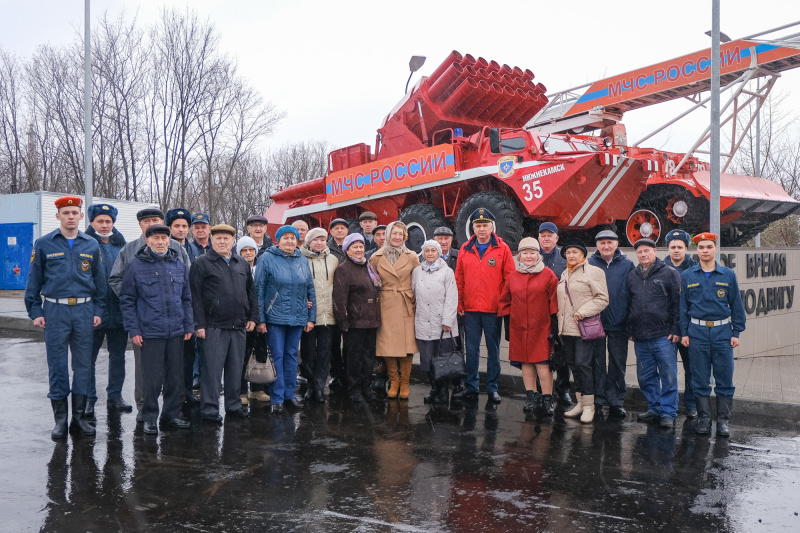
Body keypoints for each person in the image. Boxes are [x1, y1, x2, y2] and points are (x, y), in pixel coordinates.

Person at [25, 195, 107, 439]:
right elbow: (34, 280)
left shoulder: (91, 244)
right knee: (58, 366)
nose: (71, 217)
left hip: (84, 311)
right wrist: (35, 311)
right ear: (58, 216)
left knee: (83, 366)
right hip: (55, 311)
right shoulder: (44, 244)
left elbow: (99, 281)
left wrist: (98, 310)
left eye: (75, 213)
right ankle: (60, 420)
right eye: (66, 213)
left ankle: (79, 418)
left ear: (82, 216)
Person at [108, 207, 189, 421]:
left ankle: (172, 412)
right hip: (145, 322)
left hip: (173, 322)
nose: (151, 224)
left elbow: (186, 285)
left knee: (174, 370)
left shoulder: (176, 249)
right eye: (147, 221)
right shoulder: (130, 250)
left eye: (156, 220)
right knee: (146, 371)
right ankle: (145, 410)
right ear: (141, 226)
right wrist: (140, 300)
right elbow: (116, 280)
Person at [679, 233, 746, 437]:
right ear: (697, 251)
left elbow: (736, 305)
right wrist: (684, 333)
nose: (705, 250)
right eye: (701, 247)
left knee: (724, 378)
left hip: (722, 333)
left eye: (709, 247)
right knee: (699, 379)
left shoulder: (727, 275)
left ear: (716, 249)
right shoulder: (688, 275)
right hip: (697, 333)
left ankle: (723, 422)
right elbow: (683, 308)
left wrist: (736, 332)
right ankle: (704, 420)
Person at [190, 224, 258, 423]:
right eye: (218, 238)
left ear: (232, 241)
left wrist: (253, 317)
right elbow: (195, 297)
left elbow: (251, 293)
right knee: (212, 370)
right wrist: (199, 325)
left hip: (238, 326)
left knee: (235, 369)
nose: (222, 242)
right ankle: (210, 409)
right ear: (212, 240)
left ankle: (233, 405)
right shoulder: (202, 263)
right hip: (213, 326)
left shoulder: (241, 263)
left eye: (226, 239)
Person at [454, 208, 514, 403]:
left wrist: (503, 304)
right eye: (478, 226)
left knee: (493, 350)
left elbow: (509, 279)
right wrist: (460, 302)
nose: (481, 229)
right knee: (471, 351)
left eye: (485, 225)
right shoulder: (465, 248)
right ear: (473, 228)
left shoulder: (502, 249)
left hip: (492, 310)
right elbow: (459, 279)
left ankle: (492, 388)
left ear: (491, 227)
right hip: (471, 310)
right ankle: (471, 386)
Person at [255, 225, 316, 414]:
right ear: (278, 240)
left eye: (293, 238)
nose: (289, 241)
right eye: (285, 238)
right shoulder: (267, 258)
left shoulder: (302, 260)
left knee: (291, 357)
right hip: (274, 318)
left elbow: (310, 289)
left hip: (297, 317)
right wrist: (261, 319)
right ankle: (277, 398)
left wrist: (310, 318)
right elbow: (259, 289)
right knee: (277, 356)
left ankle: (290, 395)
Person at [498, 237, 559, 416]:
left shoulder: (548, 275)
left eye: (532, 252)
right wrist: (509, 322)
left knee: (542, 364)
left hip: (542, 328)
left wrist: (554, 326)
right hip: (519, 328)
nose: (528, 256)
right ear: (519, 256)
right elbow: (504, 300)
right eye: (525, 253)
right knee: (526, 363)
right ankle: (531, 397)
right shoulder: (512, 277)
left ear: (538, 255)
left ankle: (547, 399)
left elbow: (555, 300)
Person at [626, 238, 682, 429]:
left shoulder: (669, 273)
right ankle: (655, 408)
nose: (643, 254)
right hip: (640, 337)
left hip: (663, 336)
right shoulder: (632, 275)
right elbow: (629, 304)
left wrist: (676, 329)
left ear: (655, 251)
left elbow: (678, 303)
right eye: (640, 252)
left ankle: (668, 412)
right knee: (646, 377)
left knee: (668, 375)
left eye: (646, 251)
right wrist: (630, 329)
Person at [85, 203, 131, 418]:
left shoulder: (123, 246)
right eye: (100, 221)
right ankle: (88, 398)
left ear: (113, 222)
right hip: (93, 311)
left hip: (119, 311)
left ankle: (115, 396)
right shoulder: (85, 244)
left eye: (108, 221)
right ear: (92, 222)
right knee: (88, 358)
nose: (104, 225)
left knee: (118, 356)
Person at [557, 240, 609, 423]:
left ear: (583, 255)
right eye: (568, 252)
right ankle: (580, 402)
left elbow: (602, 298)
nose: (571, 255)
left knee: (583, 364)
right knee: (573, 364)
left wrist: (582, 312)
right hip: (566, 329)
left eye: (575, 252)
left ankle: (589, 406)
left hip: (583, 328)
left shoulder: (594, 272)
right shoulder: (565, 273)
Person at [370, 221, 420, 400]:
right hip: (386, 304)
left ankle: (405, 383)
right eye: (394, 234)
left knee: (407, 346)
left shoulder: (412, 256)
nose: (397, 237)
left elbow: (418, 281)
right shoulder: (376, 257)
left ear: (405, 236)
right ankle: (394, 381)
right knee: (388, 345)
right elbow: (372, 283)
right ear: (388, 235)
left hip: (406, 303)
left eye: (401, 234)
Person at [588, 229, 634, 418]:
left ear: (617, 244)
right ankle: (598, 399)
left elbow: (633, 295)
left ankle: (616, 400)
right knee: (596, 363)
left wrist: (630, 322)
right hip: (595, 322)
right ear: (597, 245)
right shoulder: (589, 263)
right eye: (602, 243)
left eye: (610, 242)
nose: (606, 246)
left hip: (619, 322)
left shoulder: (628, 265)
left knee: (617, 362)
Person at [332, 233, 382, 403]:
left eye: (361, 246)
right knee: (354, 358)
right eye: (355, 246)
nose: (359, 249)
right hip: (355, 322)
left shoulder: (368, 266)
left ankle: (366, 386)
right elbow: (339, 298)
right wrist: (343, 321)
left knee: (368, 357)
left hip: (371, 320)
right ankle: (354, 389)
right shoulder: (344, 269)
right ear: (348, 250)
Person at [411, 240, 459, 404]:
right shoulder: (417, 271)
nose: (430, 253)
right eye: (427, 251)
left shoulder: (447, 272)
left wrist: (447, 320)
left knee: (442, 360)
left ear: (439, 252)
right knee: (428, 360)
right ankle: (434, 388)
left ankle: (443, 390)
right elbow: (413, 294)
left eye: (433, 250)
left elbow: (452, 298)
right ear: (423, 253)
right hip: (423, 323)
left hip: (442, 325)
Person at [300, 227, 339, 403]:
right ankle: (310, 385)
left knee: (324, 352)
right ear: (309, 241)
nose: (320, 242)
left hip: (327, 314)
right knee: (308, 353)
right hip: (308, 314)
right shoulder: (300, 258)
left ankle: (319, 387)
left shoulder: (333, 260)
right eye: (316, 239)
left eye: (323, 239)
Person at [166, 207, 200, 405]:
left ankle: (187, 391)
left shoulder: (194, 249)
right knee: (172, 357)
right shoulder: (164, 246)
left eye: (184, 226)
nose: (181, 230)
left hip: (191, 308)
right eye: (176, 226)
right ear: (169, 227)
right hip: (170, 309)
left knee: (189, 354)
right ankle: (174, 396)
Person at [664, 229, 697, 418]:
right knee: (668, 370)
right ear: (668, 248)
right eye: (672, 247)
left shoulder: (694, 269)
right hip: (668, 328)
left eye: (680, 247)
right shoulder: (660, 268)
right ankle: (669, 406)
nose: (676, 250)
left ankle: (691, 405)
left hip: (689, 329)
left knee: (691, 368)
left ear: (686, 248)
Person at [537, 222, 571, 407]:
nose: (546, 238)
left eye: (550, 235)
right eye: (543, 235)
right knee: (539, 354)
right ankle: (541, 390)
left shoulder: (564, 259)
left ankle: (563, 389)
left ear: (557, 238)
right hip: (538, 314)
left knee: (561, 353)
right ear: (538, 238)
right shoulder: (533, 257)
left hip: (559, 314)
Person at [236, 236, 270, 405]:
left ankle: (258, 389)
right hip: (243, 317)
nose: (248, 253)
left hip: (262, 317)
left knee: (260, 353)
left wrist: (260, 318)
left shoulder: (261, 267)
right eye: (244, 250)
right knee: (242, 355)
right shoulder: (236, 268)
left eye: (251, 250)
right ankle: (241, 391)